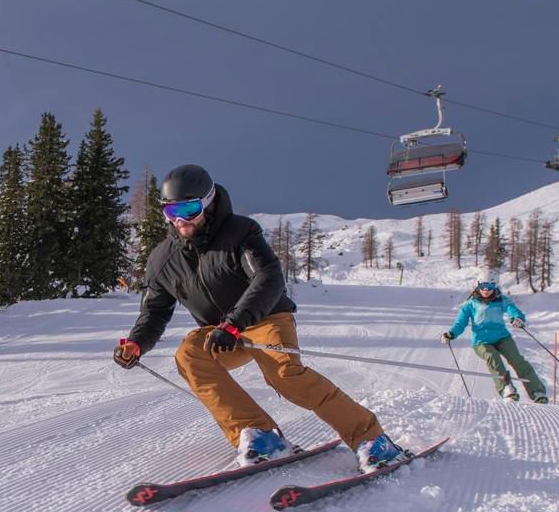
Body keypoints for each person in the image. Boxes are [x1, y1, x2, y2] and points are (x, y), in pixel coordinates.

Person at [114, 164, 403, 470]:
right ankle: (260, 435)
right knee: (189, 355)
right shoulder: (162, 259)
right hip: (221, 332)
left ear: (208, 203)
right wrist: (136, 343)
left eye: (190, 209)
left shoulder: (240, 233)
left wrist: (236, 322)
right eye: (172, 212)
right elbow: (155, 310)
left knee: (286, 377)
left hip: (265, 318)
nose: (181, 220)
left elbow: (268, 278)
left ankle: (372, 439)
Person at [441, 270, 548, 403]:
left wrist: (517, 318)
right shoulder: (470, 304)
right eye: (482, 287)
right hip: (481, 341)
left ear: (495, 286)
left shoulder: (501, 300)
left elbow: (513, 310)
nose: (486, 290)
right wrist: (451, 334)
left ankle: (537, 391)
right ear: (477, 286)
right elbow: (460, 323)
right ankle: (506, 389)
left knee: (518, 360)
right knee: (493, 357)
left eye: (490, 287)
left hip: (502, 337)